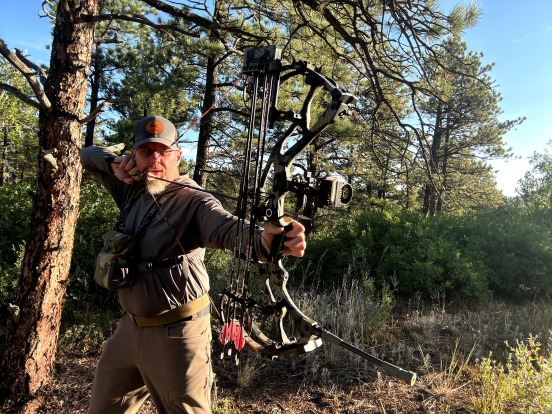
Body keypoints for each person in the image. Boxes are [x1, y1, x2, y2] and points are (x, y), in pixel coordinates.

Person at [80, 115, 306, 413]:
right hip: (129, 329)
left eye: (164, 152)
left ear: (178, 155)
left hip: (178, 335)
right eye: (146, 152)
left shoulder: (195, 201)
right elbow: (86, 155)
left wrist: (269, 241)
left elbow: (229, 230)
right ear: (134, 155)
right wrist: (114, 165)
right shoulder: (131, 187)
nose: (155, 159)